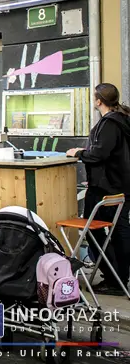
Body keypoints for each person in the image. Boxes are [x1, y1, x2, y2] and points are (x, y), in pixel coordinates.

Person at [66, 83, 130, 296]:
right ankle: (119, 277)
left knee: (92, 230)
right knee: (117, 231)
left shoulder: (109, 123)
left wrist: (79, 153)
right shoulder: (121, 120)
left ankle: (115, 278)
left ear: (98, 101)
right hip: (118, 186)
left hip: (106, 188)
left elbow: (100, 154)